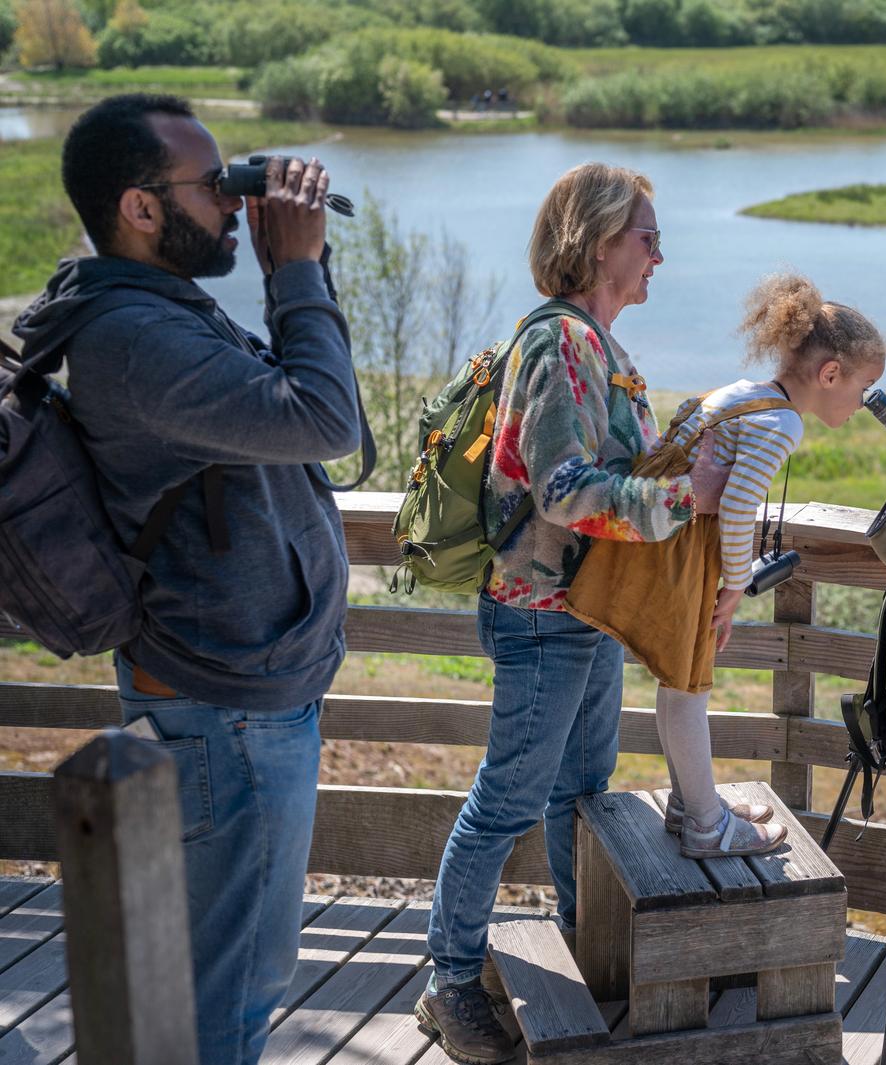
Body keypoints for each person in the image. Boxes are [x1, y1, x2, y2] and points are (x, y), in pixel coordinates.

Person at [11, 94, 361, 1065]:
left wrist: (306, 272)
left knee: (235, 975)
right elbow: (326, 421)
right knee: (233, 996)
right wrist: (294, 268)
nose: (233, 199)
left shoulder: (159, 306)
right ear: (139, 207)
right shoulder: (134, 340)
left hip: (236, 698)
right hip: (227, 711)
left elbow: (320, 423)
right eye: (212, 186)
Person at [417, 162, 727, 1065]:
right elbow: (562, 491)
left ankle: (578, 948)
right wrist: (688, 497)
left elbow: (603, 476)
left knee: (579, 795)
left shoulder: (594, 344)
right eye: (647, 238)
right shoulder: (561, 344)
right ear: (598, 243)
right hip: (543, 613)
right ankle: (449, 981)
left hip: (582, 613)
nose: (660, 257)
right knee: (508, 799)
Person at [571, 274, 886, 859]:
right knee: (690, 687)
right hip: (685, 552)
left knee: (678, 682)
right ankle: (707, 827)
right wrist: (736, 584)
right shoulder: (782, 422)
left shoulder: (746, 393)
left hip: (667, 540)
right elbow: (740, 503)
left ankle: (694, 802)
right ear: (830, 374)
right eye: (866, 385)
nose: (866, 401)